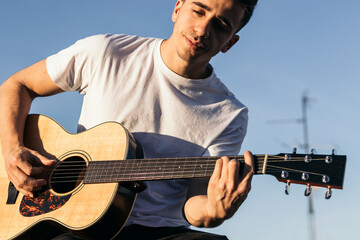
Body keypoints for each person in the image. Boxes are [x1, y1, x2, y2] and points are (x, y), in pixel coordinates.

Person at [0, 0, 258, 239]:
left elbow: (194, 206)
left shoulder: (229, 114)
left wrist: (214, 212)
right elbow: (17, 85)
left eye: (221, 25)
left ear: (229, 43)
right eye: (198, 11)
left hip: (159, 231)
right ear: (177, 8)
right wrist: (12, 150)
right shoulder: (107, 52)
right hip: (76, 221)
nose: (202, 29)